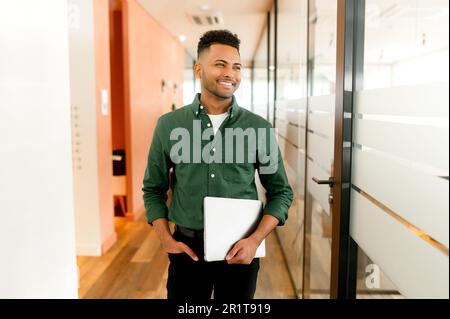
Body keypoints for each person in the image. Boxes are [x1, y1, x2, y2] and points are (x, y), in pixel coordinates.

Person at [142, 30, 293, 300]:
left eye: (236, 66)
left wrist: (255, 240)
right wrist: (166, 238)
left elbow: (281, 193)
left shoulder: (259, 128)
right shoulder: (169, 125)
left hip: (241, 249)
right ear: (199, 69)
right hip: (186, 250)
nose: (230, 73)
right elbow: (153, 188)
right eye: (220, 64)